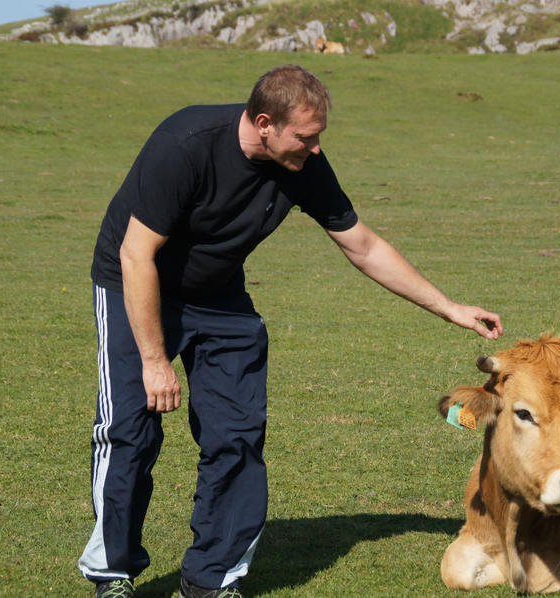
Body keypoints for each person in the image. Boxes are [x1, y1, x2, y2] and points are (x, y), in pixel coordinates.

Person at [78, 64, 502, 598]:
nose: (315, 147)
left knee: (236, 434)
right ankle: (112, 573)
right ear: (263, 124)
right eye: (305, 136)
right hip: (136, 284)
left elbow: (362, 245)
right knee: (130, 433)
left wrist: (449, 307)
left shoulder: (303, 164)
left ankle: (213, 579)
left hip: (221, 297)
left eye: (318, 134)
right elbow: (137, 254)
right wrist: (154, 361)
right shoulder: (185, 143)